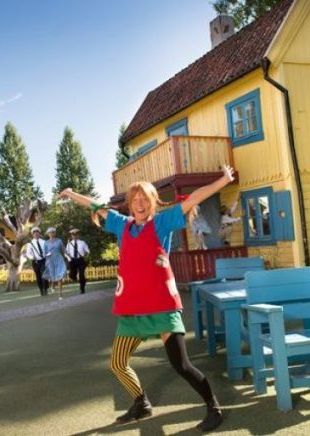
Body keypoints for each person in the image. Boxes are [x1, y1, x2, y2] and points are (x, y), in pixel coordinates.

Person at [57, 164, 234, 432]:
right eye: (135, 200)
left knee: (182, 366)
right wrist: (71, 193)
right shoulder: (122, 224)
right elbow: (96, 206)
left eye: (144, 199)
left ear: (152, 203)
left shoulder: (163, 222)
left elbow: (196, 198)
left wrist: (224, 179)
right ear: (129, 204)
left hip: (162, 307)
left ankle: (215, 408)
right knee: (117, 363)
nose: (139, 204)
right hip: (132, 310)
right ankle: (141, 403)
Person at [43, 227, 67, 300]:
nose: (51, 234)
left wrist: (68, 257)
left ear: (55, 233)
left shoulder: (59, 241)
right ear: (48, 234)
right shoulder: (46, 243)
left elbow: (64, 251)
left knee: (60, 277)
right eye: (50, 232)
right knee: (53, 277)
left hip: (59, 260)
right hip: (50, 261)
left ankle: (60, 295)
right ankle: (52, 285)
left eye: (53, 232)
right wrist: (48, 254)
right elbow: (44, 254)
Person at [25, 227, 48, 296]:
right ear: (32, 234)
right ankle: (41, 290)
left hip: (43, 260)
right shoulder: (30, 244)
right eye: (34, 233)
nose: (36, 234)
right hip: (35, 262)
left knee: (44, 275)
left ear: (39, 233)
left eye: (37, 232)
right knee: (38, 276)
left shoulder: (44, 242)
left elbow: (47, 250)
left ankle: (45, 289)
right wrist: (32, 257)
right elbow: (28, 254)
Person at [65, 228, 89, 294]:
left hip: (81, 260)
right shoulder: (69, 244)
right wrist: (69, 259)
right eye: (73, 235)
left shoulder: (82, 242)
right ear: (71, 236)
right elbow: (66, 253)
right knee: (71, 275)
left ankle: (82, 288)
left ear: (78, 235)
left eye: (76, 234)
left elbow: (87, 251)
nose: (75, 236)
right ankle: (77, 279)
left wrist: (85, 256)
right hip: (72, 260)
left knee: (81, 274)